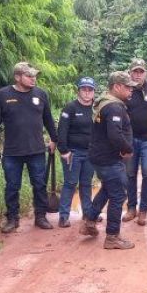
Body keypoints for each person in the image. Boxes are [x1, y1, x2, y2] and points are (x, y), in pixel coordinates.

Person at [0, 62, 58, 233]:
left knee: (39, 184)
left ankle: (40, 216)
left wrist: (55, 140)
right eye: (29, 76)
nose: (33, 79)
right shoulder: (3, 95)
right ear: (17, 77)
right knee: (12, 185)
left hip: (37, 150)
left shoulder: (41, 94)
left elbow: (48, 119)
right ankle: (12, 219)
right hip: (12, 151)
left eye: (34, 76)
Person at [80, 71, 139, 250]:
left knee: (107, 188)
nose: (131, 90)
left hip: (100, 156)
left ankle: (89, 221)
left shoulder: (104, 102)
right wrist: (127, 149)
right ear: (117, 87)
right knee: (118, 194)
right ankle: (112, 236)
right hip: (108, 158)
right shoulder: (113, 107)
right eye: (128, 87)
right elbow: (115, 134)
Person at [123, 58, 147, 226]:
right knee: (130, 174)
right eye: (135, 72)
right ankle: (131, 207)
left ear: (146, 73)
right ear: (130, 73)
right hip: (129, 139)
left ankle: (143, 210)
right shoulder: (126, 90)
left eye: (141, 72)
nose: (138, 75)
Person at [56, 77, 97, 228]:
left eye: (90, 90)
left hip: (91, 153)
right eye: (84, 89)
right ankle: (63, 216)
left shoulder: (97, 108)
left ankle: (88, 213)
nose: (87, 93)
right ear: (78, 91)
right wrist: (64, 150)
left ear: (94, 92)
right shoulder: (70, 108)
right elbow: (62, 130)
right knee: (70, 183)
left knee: (86, 183)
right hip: (73, 152)